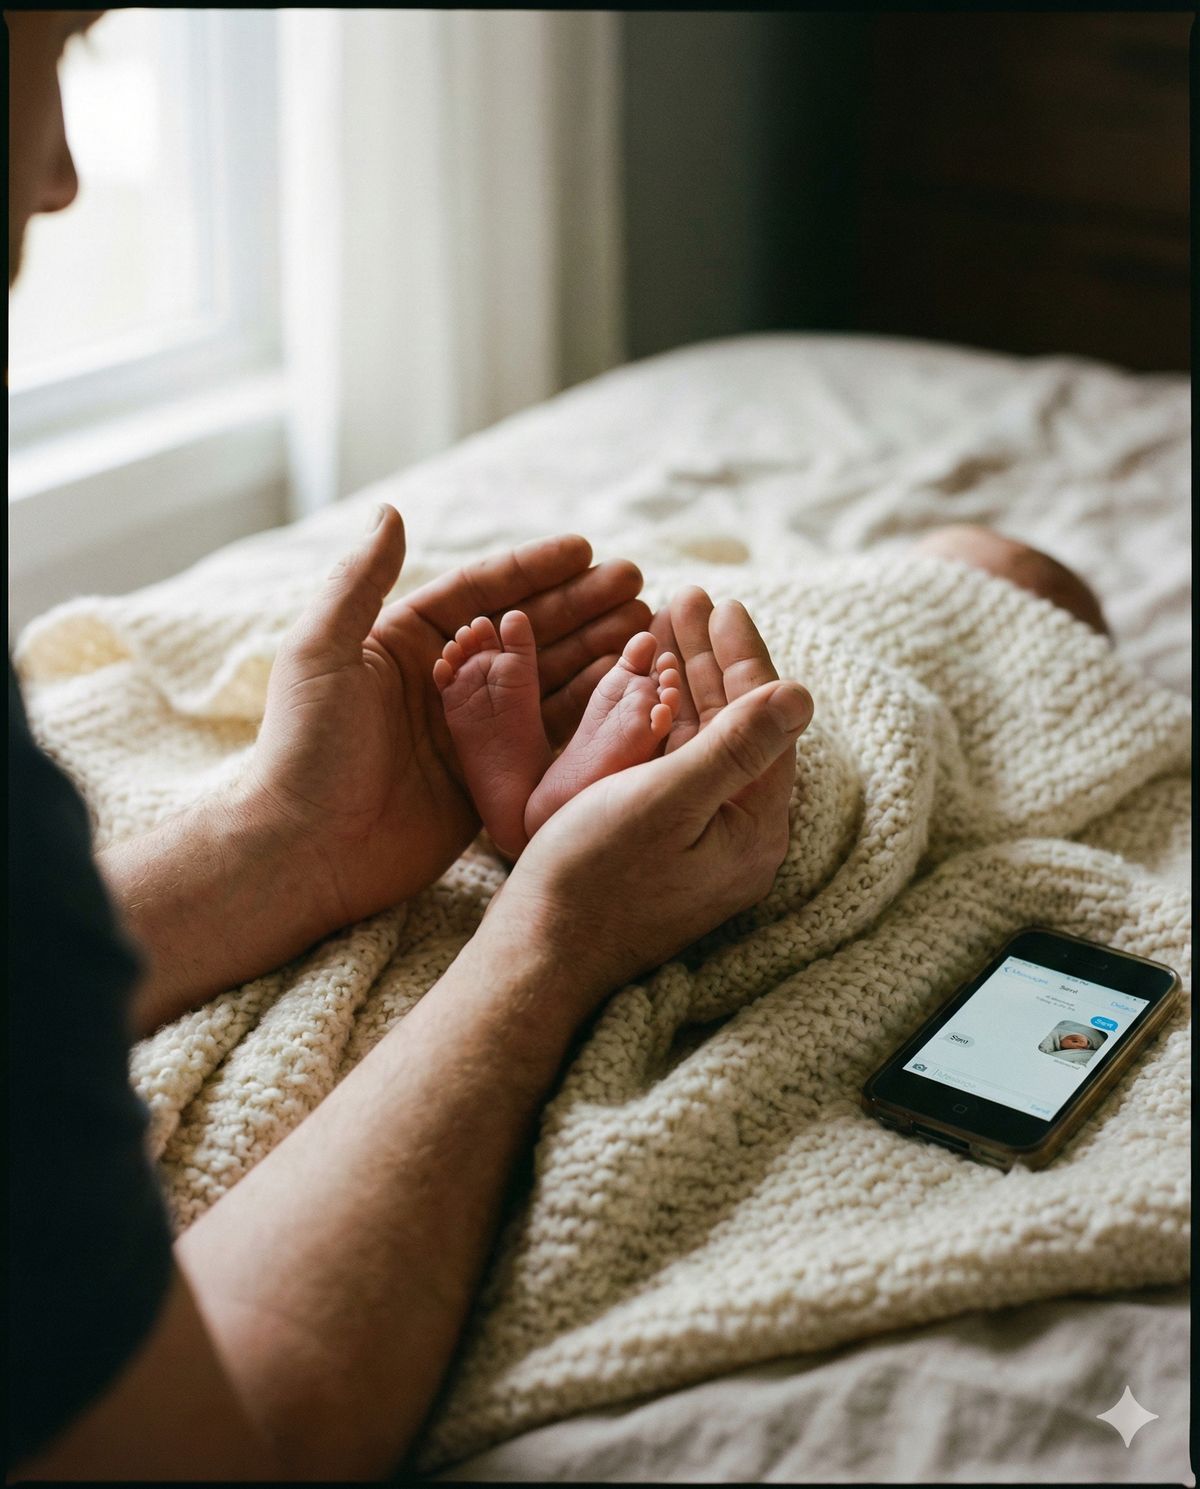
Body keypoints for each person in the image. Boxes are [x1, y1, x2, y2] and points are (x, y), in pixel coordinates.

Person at [7, 11, 1113, 1480]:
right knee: (809, 682)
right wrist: (552, 936)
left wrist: (282, 840)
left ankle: (567, 777)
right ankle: (576, 789)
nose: (64, 177)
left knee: (713, 681)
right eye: (54, 54)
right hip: (820, 652)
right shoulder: (920, 594)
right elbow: (219, 1446)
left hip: (748, 662)